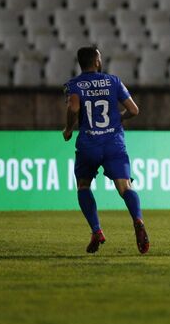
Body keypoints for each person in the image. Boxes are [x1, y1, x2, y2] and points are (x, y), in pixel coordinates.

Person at [63, 46, 149, 254]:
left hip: (89, 144)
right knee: (125, 187)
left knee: (83, 186)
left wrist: (68, 129)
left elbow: (73, 108)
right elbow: (134, 110)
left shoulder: (74, 84)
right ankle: (138, 220)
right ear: (97, 62)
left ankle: (97, 231)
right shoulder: (113, 81)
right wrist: (118, 118)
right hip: (113, 144)